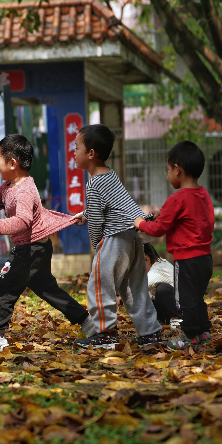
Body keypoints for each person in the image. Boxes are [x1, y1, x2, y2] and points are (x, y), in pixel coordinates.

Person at [0, 134, 95, 351]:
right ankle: (87, 323)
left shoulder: (24, 191)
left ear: (12, 163)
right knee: (47, 289)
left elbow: (22, 222)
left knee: (3, 285)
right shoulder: (8, 187)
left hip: (30, 249)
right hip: (36, 247)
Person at [71, 124, 162, 349]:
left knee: (100, 287)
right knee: (135, 289)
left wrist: (96, 249)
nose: (73, 152)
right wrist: (85, 214)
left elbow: (97, 223)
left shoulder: (93, 183)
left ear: (90, 154)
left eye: (76, 147)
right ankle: (150, 333)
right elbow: (115, 206)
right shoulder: (110, 175)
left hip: (112, 242)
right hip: (132, 239)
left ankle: (105, 334)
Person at [134, 141, 214, 350]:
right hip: (205, 258)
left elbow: (159, 229)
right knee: (197, 297)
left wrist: (141, 224)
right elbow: (203, 221)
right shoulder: (204, 194)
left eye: (168, 170)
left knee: (185, 300)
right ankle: (204, 331)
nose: (168, 174)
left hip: (186, 259)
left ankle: (189, 336)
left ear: (177, 170)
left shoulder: (176, 199)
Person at [143, 243, 182, 327]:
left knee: (162, 289)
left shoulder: (161, 268)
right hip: (165, 313)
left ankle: (177, 320)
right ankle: (158, 322)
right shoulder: (153, 267)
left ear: (146, 259)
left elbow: (143, 285)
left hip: (181, 310)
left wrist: (123, 296)